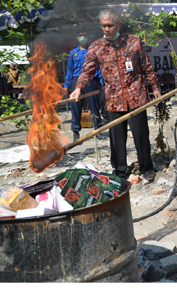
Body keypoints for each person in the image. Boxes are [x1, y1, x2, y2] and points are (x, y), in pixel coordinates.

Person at [68, 10, 160, 183]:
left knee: (140, 133)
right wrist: (79, 88)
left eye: (110, 25)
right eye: (103, 25)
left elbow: (146, 65)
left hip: (136, 95)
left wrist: (154, 87)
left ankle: (146, 167)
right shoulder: (96, 47)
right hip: (113, 98)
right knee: (117, 137)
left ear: (119, 25)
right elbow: (87, 71)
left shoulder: (134, 42)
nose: (107, 29)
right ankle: (119, 170)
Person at [64, 33, 104, 142]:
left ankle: (98, 130)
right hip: (76, 81)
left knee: (94, 106)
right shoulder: (73, 53)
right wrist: (67, 85)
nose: (83, 38)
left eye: (84, 35)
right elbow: (69, 70)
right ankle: (76, 132)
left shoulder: (92, 51)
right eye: (80, 35)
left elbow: (98, 68)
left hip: (91, 81)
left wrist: (102, 82)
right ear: (77, 38)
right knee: (75, 107)